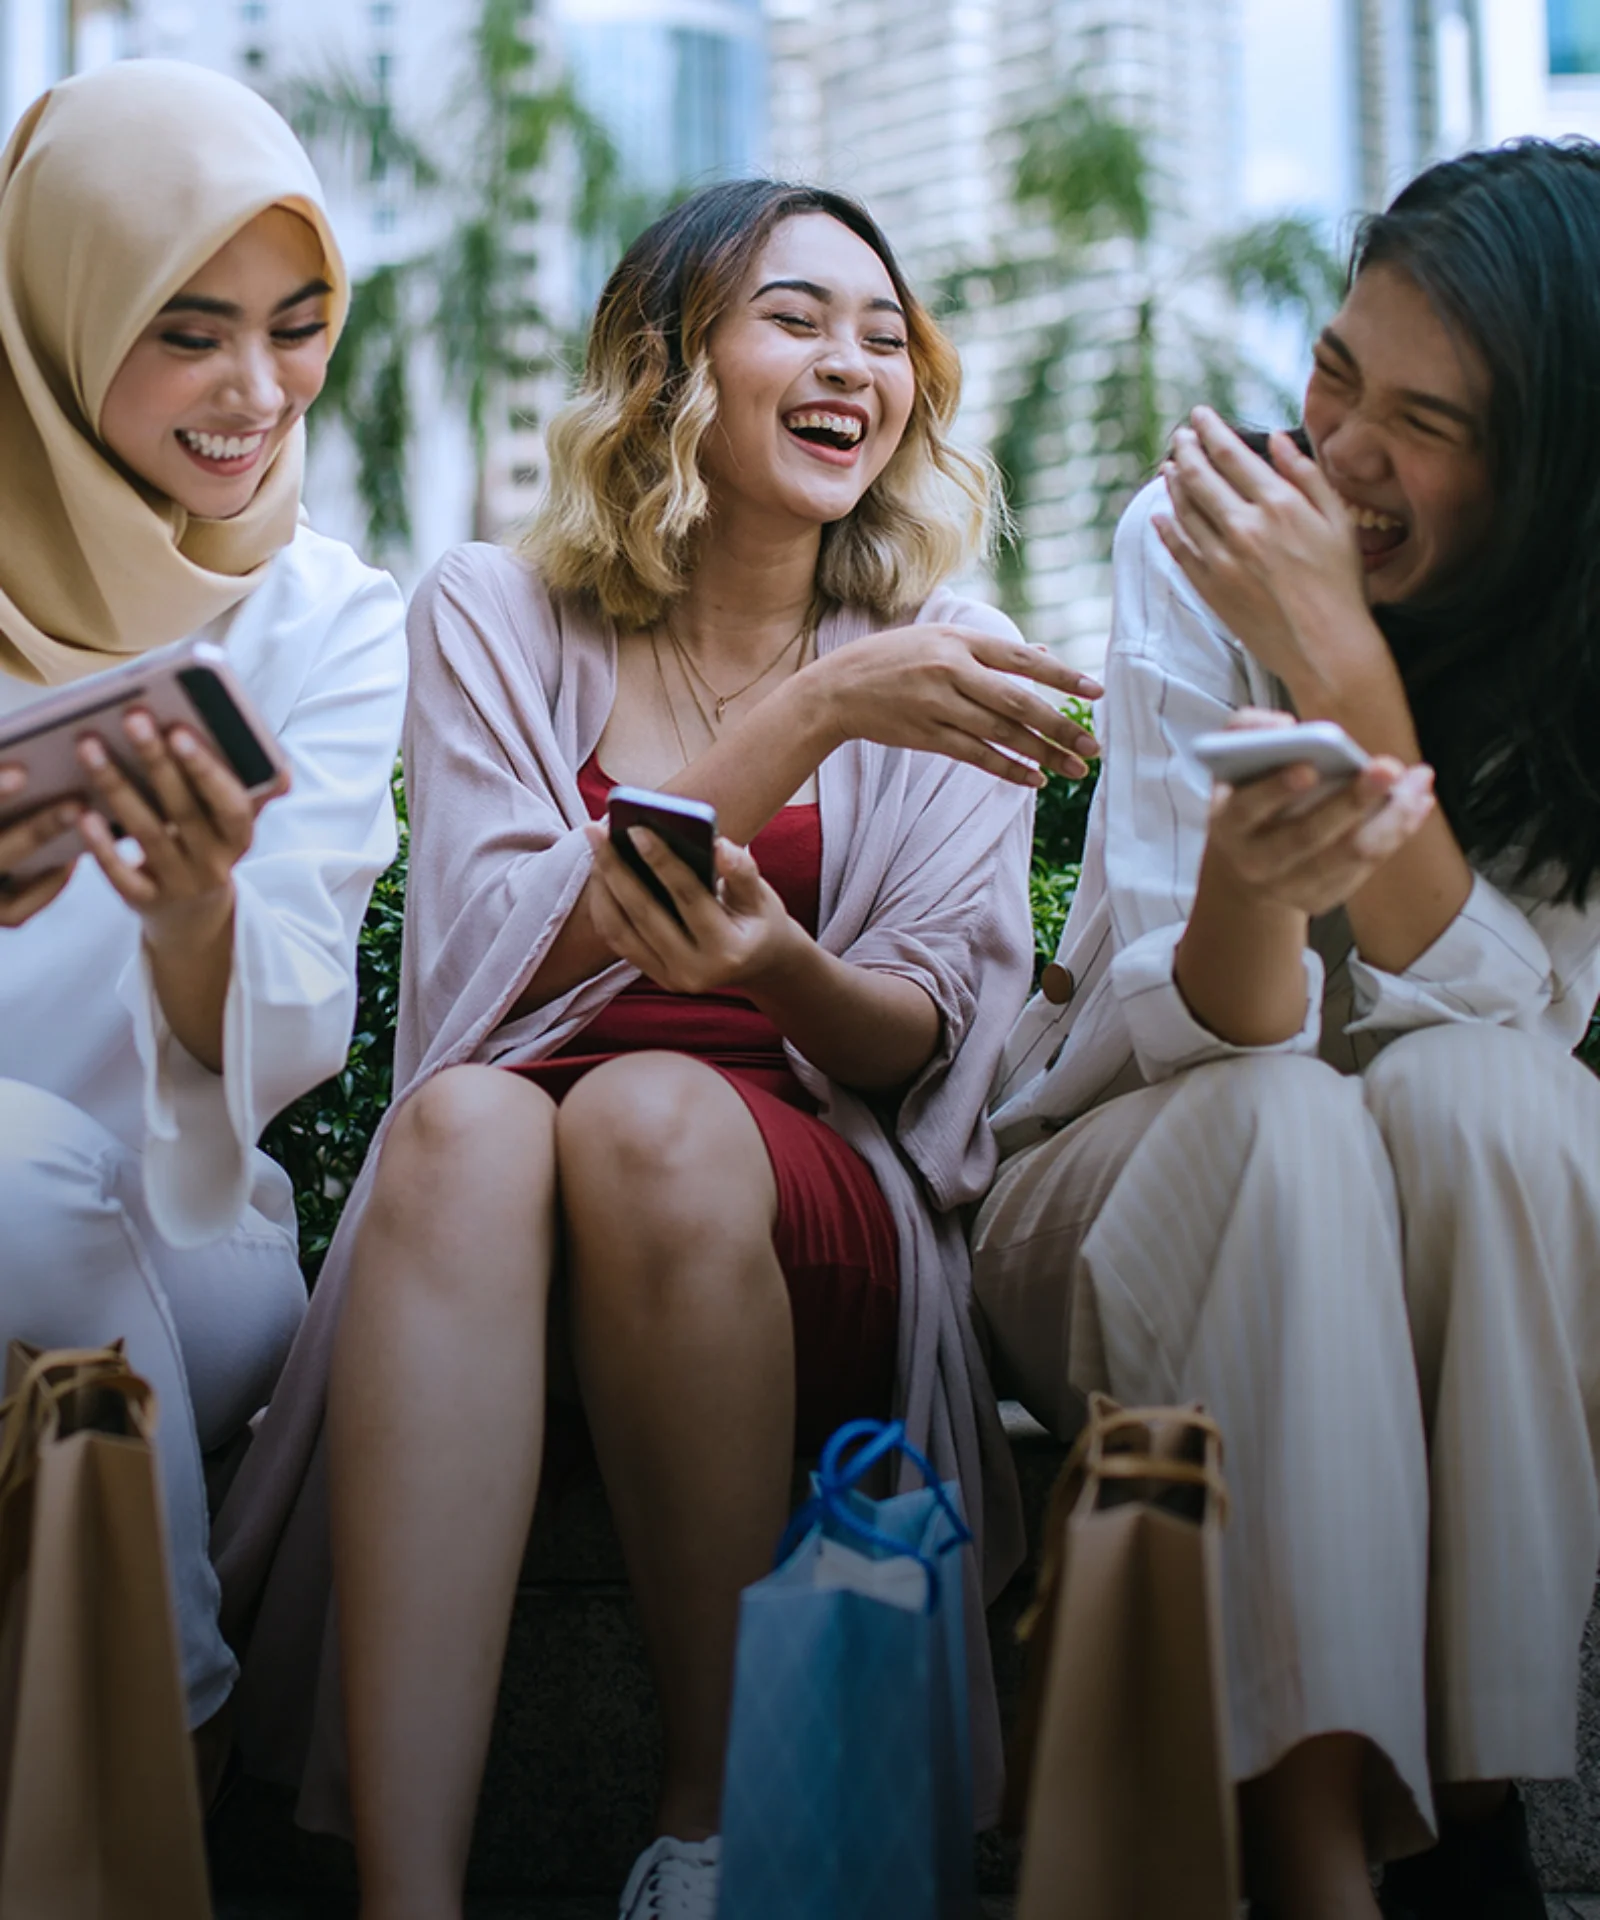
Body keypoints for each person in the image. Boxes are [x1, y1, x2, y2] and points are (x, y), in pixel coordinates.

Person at [210, 177, 1102, 1920]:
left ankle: (707, 1838)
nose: (855, 361)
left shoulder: (944, 657)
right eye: (794, 317)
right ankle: (409, 1893)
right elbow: (492, 961)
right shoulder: (490, 610)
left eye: (882, 332)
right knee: (468, 1126)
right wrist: (813, 714)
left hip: (792, 1189)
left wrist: (779, 971)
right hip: (499, 1205)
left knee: (657, 1119)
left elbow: (925, 1039)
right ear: (668, 364)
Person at [977, 139, 1600, 1920]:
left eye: (1427, 420)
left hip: (1419, 1236)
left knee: (1502, 1103)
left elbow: (1535, 1018)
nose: (1338, 450)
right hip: (1112, 1202)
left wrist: (1349, 676)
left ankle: (1474, 1807)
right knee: (1294, 1121)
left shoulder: (1573, 643)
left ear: (1552, 465)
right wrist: (1261, 886)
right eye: (1336, 368)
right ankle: (1321, 1857)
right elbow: (1200, 1034)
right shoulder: (1200, 540)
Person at [0, 59, 407, 1774]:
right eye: (190, 330)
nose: (260, 392)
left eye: (299, 326)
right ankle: (140, 1785)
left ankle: (149, 1742)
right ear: (60, 314)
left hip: (184, 1230)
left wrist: (193, 918)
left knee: (23, 1165)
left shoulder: (328, 616)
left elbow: (292, 1032)